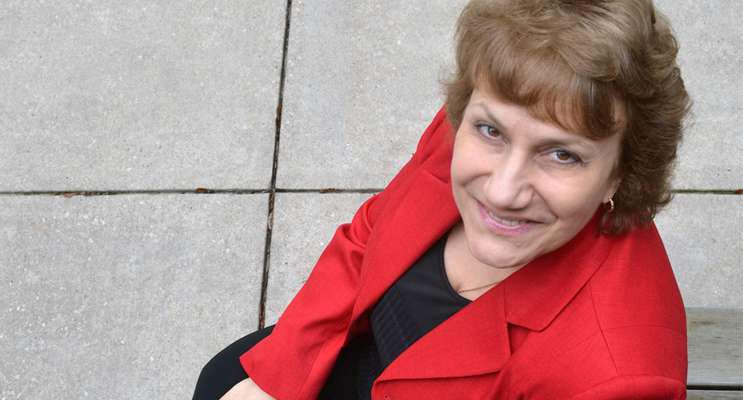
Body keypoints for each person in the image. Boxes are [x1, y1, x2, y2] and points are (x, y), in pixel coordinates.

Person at [193, 0, 691, 398]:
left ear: (620, 175)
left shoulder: (617, 380)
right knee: (221, 379)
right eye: (491, 131)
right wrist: (279, 378)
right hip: (368, 352)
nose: (502, 190)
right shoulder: (479, 116)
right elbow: (370, 234)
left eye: (562, 154)